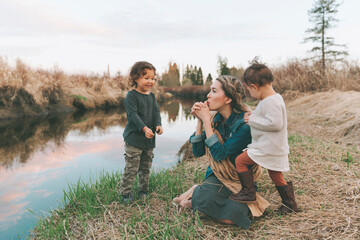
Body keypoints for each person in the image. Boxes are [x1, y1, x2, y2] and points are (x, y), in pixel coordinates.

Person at [173, 75, 269, 229]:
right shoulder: (215, 120)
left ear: (228, 99)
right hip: (217, 175)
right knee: (206, 199)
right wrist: (199, 121)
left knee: (232, 218)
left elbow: (219, 154)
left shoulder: (244, 125)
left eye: (213, 91)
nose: (208, 95)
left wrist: (206, 121)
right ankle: (197, 192)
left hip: (239, 180)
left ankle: (194, 193)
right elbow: (198, 152)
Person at [229, 63, 299, 214]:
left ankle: (248, 192)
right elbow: (266, 117)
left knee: (240, 161)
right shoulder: (273, 99)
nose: (249, 92)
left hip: (267, 147)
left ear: (254, 86)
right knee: (275, 174)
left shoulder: (270, 101)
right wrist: (253, 115)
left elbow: (275, 123)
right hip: (273, 146)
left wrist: (251, 120)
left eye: (249, 89)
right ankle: (290, 204)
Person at [120, 61, 163, 203]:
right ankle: (125, 195)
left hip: (149, 140)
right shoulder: (131, 96)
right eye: (146, 78)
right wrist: (144, 128)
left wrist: (158, 124)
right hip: (134, 139)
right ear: (135, 78)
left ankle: (143, 191)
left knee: (145, 167)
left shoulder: (151, 96)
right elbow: (133, 115)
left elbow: (156, 111)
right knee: (132, 168)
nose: (150, 81)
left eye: (152, 78)